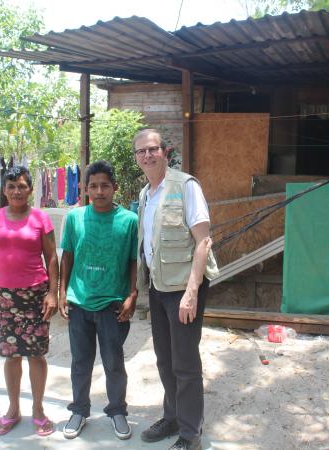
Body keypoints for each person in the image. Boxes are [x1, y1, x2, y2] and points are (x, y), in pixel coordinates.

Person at [134, 129, 218, 450]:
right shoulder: (146, 194)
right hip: (159, 288)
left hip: (184, 288)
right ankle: (172, 416)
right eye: (141, 151)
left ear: (164, 152)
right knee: (164, 360)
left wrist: (192, 292)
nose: (147, 156)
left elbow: (203, 242)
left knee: (184, 362)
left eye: (153, 149)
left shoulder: (186, 186)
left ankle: (190, 433)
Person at [0, 165, 58, 437]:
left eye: (21, 186)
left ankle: (39, 409)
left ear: (30, 189)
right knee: (11, 355)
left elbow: (51, 258)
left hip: (35, 295)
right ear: (3, 190)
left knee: (36, 355)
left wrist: (54, 293)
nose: (16, 191)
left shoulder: (41, 219)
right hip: (5, 297)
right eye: (11, 186)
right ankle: (13, 409)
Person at [59, 160, 138, 441]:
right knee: (81, 361)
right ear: (85, 189)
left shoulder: (129, 220)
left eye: (105, 185)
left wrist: (132, 295)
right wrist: (61, 292)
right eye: (93, 186)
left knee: (113, 362)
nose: (99, 191)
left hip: (112, 306)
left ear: (114, 188)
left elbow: (133, 260)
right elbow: (67, 256)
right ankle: (79, 409)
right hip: (79, 302)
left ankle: (117, 410)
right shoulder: (75, 218)